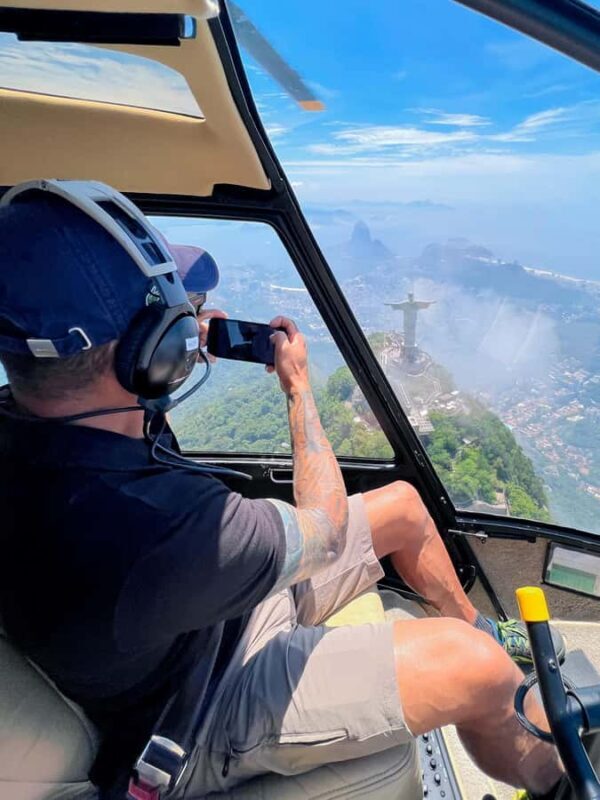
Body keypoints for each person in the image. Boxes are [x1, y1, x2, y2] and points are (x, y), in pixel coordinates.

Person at [0, 180, 564, 800]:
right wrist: (297, 389)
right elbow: (319, 533)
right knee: (475, 668)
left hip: (199, 617)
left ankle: (484, 627)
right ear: (146, 354)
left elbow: (105, 419)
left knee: (403, 507)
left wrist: (161, 370)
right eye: (176, 314)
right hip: (195, 708)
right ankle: (559, 783)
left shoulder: (31, 427)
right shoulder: (154, 523)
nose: (193, 316)